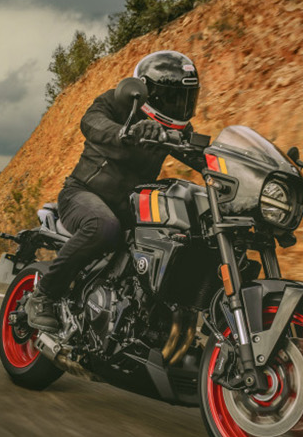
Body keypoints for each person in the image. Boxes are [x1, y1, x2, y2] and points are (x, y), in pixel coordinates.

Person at [24, 50, 203, 332]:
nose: (178, 105)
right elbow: (92, 122)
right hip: (83, 194)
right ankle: (43, 296)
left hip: (129, 208)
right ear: (148, 92)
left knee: (178, 238)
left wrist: (232, 169)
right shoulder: (117, 103)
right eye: (171, 97)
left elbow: (203, 157)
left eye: (184, 99)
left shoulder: (177, 129)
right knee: (103, 226)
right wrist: (126, 132)